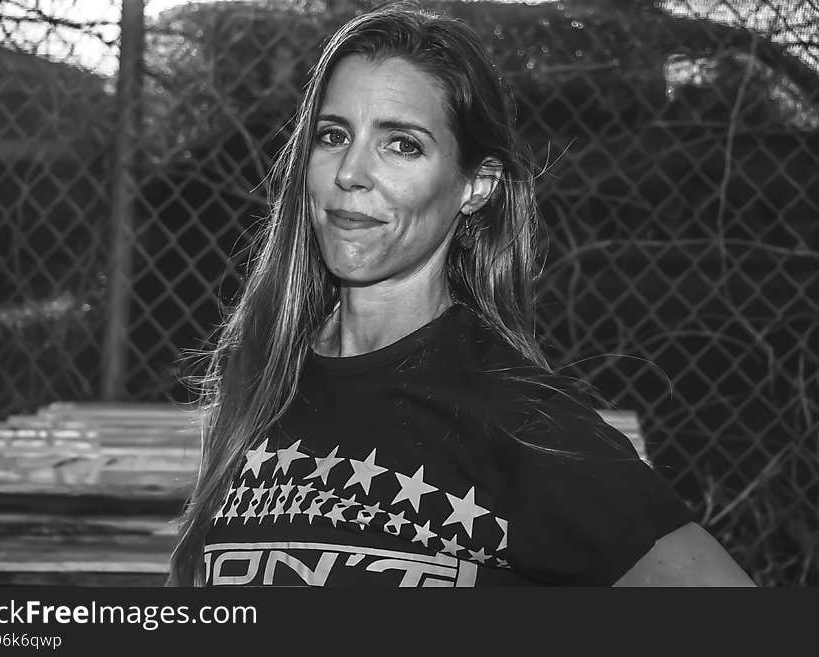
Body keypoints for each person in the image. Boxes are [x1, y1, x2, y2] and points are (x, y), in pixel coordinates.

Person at [167, 2, 754, 587]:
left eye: (403, 145)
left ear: (476, 185)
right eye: (333, 134)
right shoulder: (262, 378)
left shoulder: (520, 423)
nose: (351, 171)